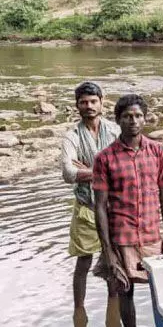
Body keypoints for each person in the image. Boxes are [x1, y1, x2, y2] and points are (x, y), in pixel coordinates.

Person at [93, 94, 163, 327]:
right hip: (122, 236)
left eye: (138, 116)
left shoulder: (158, 151)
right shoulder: (104, 158)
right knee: (123, 290)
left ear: (145, 119)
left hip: (152, 234)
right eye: (127, 116)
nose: (133, 121)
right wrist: (107, 250)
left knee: (161, 291)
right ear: (118, 120)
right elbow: (100, 206)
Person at [60, 82, 120, 308]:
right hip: (86, 206)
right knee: (83, 261)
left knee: (114, 257)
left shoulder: (115, 130)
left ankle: (113, 307)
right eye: (84, 102)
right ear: (77, 106)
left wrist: (88, 170)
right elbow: (68, 173)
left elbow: (123, 166)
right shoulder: (72, 135)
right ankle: (79, 310)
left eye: (93, 101)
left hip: (114, 206)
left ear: (102, 103)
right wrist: (104, 171)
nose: (89, 106)